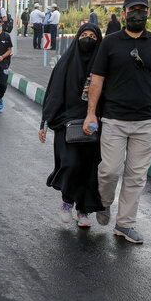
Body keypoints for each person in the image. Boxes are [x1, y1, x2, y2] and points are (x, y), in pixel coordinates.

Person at [83, 0, 151, 244]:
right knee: (110, 171)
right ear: (123, 13)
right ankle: (104, 202)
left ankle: (125, 224)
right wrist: (91, 112)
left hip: (146, 121)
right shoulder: (110, 42)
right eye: (133, 9)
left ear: (147, 13)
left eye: (142, 10)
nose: (138, 13)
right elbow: (97, 79)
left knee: (135, 176)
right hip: (114, 119)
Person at [40, 23, 105, 227]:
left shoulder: (103, 67)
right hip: (66, 123)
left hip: (94, 125)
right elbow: (54, 93)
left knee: (89, 169)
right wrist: (44, 122)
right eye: (83, 35)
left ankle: (83, 211)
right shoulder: (66, 63)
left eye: (92, 36)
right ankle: (67, 202)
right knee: (70, 164)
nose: (87, 39)